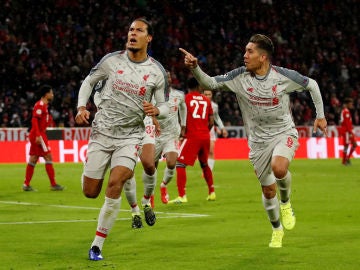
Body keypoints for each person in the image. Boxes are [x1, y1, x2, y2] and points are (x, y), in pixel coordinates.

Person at [179, 33, 328, 248]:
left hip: (283, 132)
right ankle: (277, 230)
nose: (245, 55)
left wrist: (320, 115)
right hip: (257, 143)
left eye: (250, 51)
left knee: (279, 168)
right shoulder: (239, 77)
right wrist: (195, 68)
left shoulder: (283, 76)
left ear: (263, 57)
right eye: (245, 51)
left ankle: (286, 203)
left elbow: (312, 84)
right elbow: (209, 83)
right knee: (268, 191)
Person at [75, 18, 169, 261]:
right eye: (130, 29)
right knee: (90, 191)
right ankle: (90, 170)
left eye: (138, 30)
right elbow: (88, 81)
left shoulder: (157, 72)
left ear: (149, 38)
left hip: (131, 136)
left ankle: (97, 245)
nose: (132, 33)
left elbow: (165, 104)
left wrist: (157, 111)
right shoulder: (111, 61)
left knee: (115, 182)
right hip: (102, 133)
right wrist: (80, 107)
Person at [168, 77, 215, 204]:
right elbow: (211, 121)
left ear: (188, 87)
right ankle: (212, 192)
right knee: (204, 164)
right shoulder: (206, 100)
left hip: (192, 136)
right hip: (205, 136)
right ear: (198, 87)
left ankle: (182, 195)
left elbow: (179, 115)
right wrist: (205, 130)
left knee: (180, 164)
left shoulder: (186, 98)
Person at [22, 85, 64, 192]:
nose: (52, 95)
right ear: (46, 94)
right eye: (51, 93)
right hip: (38, 135)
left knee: (34, 159)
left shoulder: (44, 106)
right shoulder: (39, 105)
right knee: (48, 157)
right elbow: (34, 120)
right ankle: (53, 184)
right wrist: (37, 135)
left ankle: (26, 184)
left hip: (40, 134)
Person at [156, 70, 187, 204]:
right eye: (164, 76)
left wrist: (184, 125)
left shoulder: (179, 95)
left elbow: (183, 108)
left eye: (168, 76)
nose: (167, 78)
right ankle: (149, 197)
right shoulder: (153, 95)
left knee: (171, 162)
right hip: (155, 136)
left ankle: (163, 185)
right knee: (151, 168)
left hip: (172, 135)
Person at [203, 89, 228, 172]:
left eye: (209, 94)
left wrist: (222, 128)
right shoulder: (198, 104)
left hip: (210, 131)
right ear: (202, 95)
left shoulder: (214, 106)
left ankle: (208, 171)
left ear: (212, 95)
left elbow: (216, 118)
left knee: (210, 151)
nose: (207, 96)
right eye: (205, 94)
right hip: (198, 130)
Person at [340, 98, 358, 165]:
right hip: (347, 132)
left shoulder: (346, 111)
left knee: (354, 144)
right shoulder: (346, 112)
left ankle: (347, 159)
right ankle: (344, 161)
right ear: (347, 104)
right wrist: (350, 132)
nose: (351, 105)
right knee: (346, 146)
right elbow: (347, 123)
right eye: (350, 103)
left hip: (348, 131)